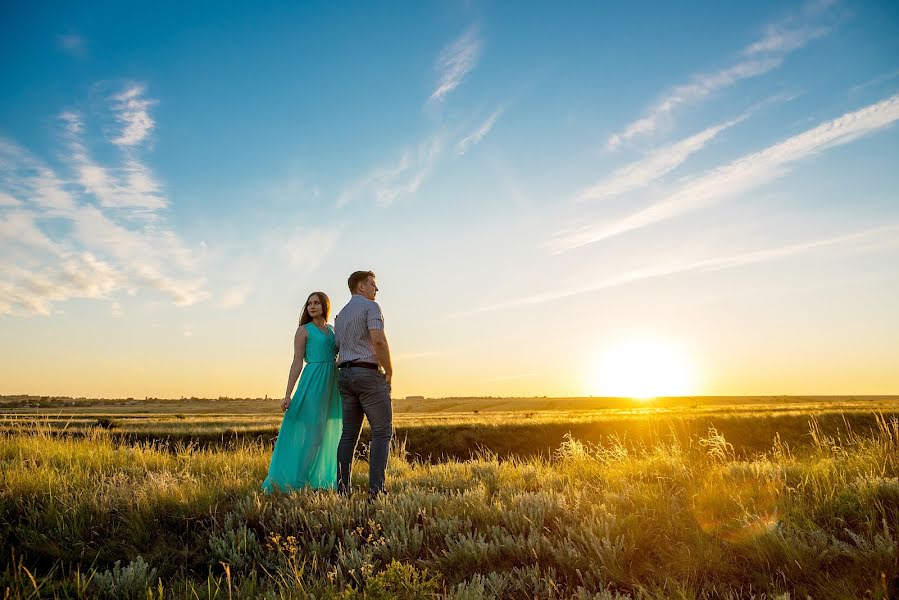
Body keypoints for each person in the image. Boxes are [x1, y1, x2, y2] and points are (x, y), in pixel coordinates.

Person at [261, 291, 342, 493]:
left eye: (316, 303)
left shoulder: (332, 330)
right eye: (309, 304)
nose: (312, 306)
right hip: (313, 381)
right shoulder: (303, 331)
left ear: (325, 305)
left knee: (328, 434)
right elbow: (297, 362)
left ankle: (321, 480)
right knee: (313, 435)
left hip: (333, 382)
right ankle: (298, 481)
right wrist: (287, 394)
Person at [333, 270, 393, 497]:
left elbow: (337, 346)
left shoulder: (341, 315)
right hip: (367, 373)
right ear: (361, 286)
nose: (376, 289)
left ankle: (342, 490)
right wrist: (389, 371)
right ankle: (376, 491)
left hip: (345, 376)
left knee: (348, 434)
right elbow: (378, 340)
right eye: (373, 285)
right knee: (381, 431)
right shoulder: (371, 307)